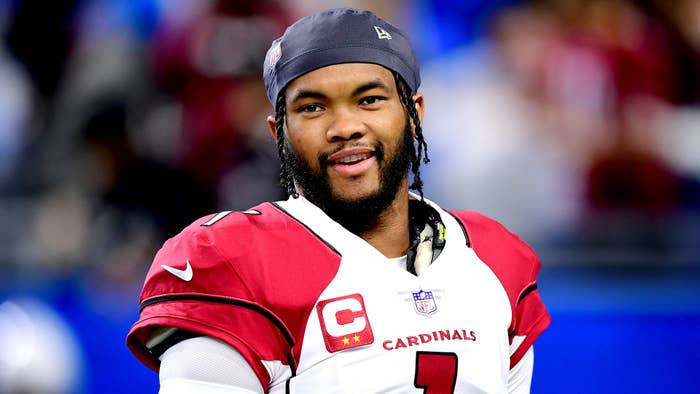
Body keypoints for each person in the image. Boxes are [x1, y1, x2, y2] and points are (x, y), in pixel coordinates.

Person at [126, 8, 550, 393]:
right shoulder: (234, 262)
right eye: (313, 108)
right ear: (279, 133)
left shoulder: (493, 258)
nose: (345, 126)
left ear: (415, 112)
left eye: (369, 100)